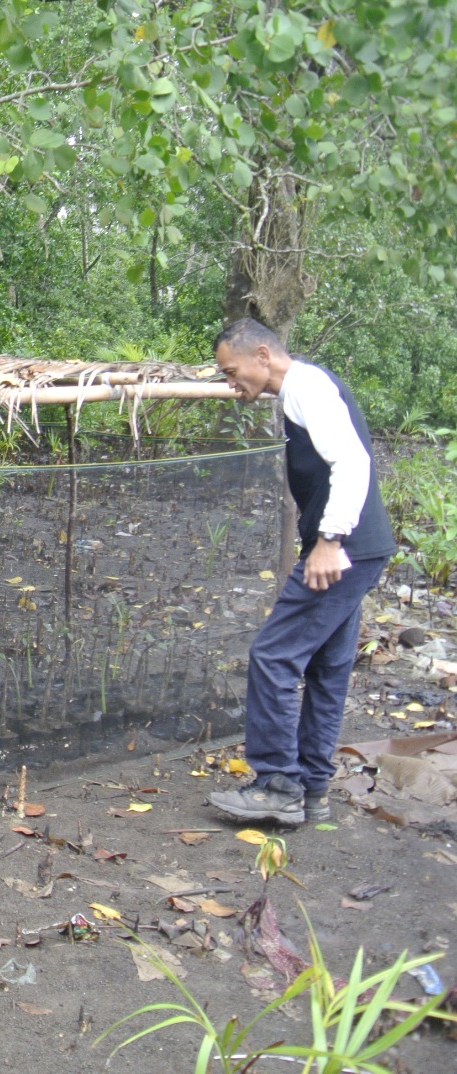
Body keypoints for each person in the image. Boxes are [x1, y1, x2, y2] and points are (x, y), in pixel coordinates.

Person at [205, 318, 396, 826]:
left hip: (345, 545)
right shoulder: (297, 393)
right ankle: (312, 786)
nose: (231, 382)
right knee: (327, 666)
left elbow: (352, 462)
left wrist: (329, 541)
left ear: (262, 355)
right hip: (361, 545)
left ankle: (277, 785)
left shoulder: (307, 387)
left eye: (232, 370)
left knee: (273, 654)